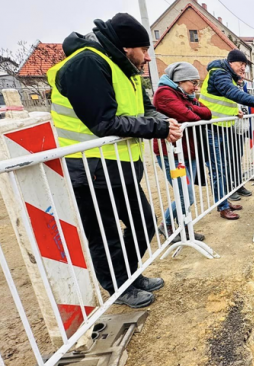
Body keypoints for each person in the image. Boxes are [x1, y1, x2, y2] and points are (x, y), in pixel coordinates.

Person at [48, 13, 182, 308]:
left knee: (143, 223)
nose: (147, 58)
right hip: (92, 169)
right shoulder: (87, 64)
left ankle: (129, 276)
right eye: (144, 50)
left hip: (119, 169)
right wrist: (158, 128)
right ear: (126, 47)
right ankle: (119, 288)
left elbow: (146, 108)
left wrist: (165, 123)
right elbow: (104, 123)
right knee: (105, 235)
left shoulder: (124, 67)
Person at [199, 49, 254, 219]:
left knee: (226, 165)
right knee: (217, 170)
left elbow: (225, 100)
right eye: (241, 64)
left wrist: (235, 111)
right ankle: (222, 206)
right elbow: (230, 93)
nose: (244, 69)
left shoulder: (227, 76)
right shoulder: (219, 73)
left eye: (245, 66)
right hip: (211, 129)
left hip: (222, 126)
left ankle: (226, 201)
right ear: (231, 62)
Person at [152, 62, 210, 243]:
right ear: (180, 80)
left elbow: (207, 113)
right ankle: (167, 225)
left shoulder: (185, 95)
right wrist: (191, 110)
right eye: (193, 82)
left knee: (186, 194)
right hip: (172, 154)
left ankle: (185, 226)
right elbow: (189, 117)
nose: (196, 87)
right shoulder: (165, 94)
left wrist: (190, 108)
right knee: (186, 196)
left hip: (187, 152)